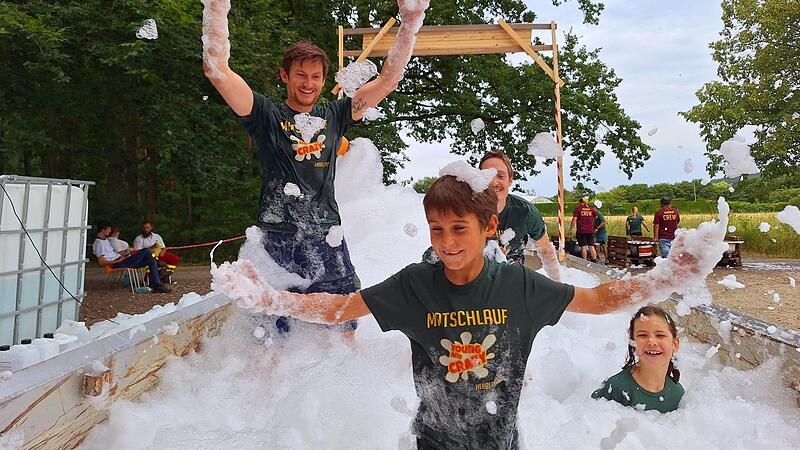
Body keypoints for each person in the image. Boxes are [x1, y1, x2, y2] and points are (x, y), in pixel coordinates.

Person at [222, 174, 709, 448]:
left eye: (459, 229)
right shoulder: (415, 285)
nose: (447, 242)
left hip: (502, 440)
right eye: (436, 230)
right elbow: (341, 308)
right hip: (435, 441)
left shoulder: (518, 286)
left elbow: (598, 299)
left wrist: (666, 277)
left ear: (488, 227)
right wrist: (273, 298)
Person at [202, 0, 429, 335]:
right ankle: (269, 387)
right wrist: (217, 8)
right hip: (275, 239)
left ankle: (341, 383)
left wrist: (410, 23)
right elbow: (217, 71)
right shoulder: (266, 115)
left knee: (343, 323)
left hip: (327, 236)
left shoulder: (335, 116)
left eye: (316, 77)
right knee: (268, 335)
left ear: (324, 80)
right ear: (285, 75)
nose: (308, 83)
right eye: (300, 75)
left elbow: (387, 80)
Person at [478, 149, 560, 280]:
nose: (494, 182)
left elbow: (546, 250)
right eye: (487, 176)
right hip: (476, 278)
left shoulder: (525, 212)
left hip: (513, 277)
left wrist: (557, 284)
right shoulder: (467, 210)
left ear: (510, 180)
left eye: (500, 176)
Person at [592, 305, 684, 413]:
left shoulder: (677, 393)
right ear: (633, 342)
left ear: (675, 344)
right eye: (643, 335)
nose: (651, 341)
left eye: (660, 335)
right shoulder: (616, 388)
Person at [92, 220, 171, 293]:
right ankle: (158, 267)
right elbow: (101, 262)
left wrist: (125, 254)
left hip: (122, 259)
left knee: (151, 261)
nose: (110, 231)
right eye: (108, 229)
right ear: (103, 230)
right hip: (118, 263)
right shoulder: (99, 243)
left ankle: (156, 285)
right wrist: (119, 260)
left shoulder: (105, 240)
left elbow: (110, 254)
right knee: (146, 251)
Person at [568, 197, 598, 262]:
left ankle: (584, 261)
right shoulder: (591, 209)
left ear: (580, 202)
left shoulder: (578, 209)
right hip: (590, 230)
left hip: (581, 231)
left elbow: (574, 219)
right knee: (591, 246)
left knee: (583, 247)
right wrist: (591, 223)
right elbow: (596, 217)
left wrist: (570, 230)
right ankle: (594, 260)